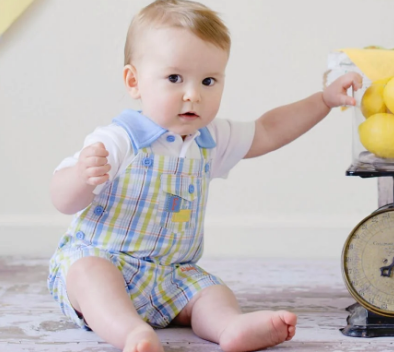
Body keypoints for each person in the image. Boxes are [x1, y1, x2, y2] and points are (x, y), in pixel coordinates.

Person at [47, 1, 362, 351]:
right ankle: (131, 333)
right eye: (174, 78)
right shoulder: (120, 139)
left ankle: (229, 327)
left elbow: (269, 130)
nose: (193, 94)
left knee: (210, 292)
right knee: (91, 276)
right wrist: (81, 176)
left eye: (208, 80)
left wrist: (324, 100)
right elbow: (62, 199)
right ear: (134, 81)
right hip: (106, 261)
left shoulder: (209, 139)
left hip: (171, 275)